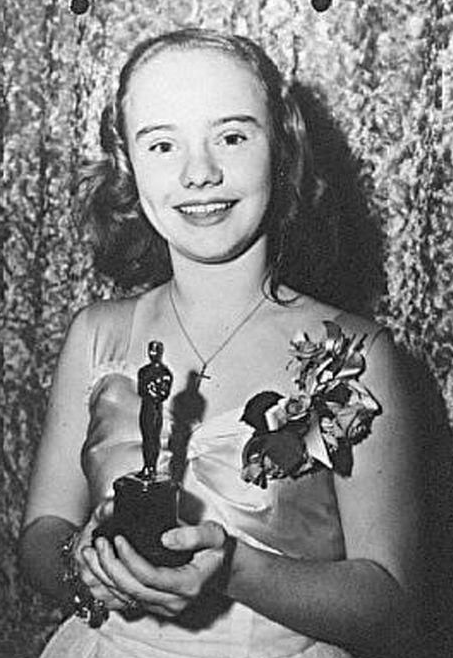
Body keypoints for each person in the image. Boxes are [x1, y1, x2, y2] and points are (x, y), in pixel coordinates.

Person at [20, 28, 421, 658]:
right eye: (162, 145)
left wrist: (233, 568)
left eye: (232, 137)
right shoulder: (95, 334)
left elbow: (390, 600)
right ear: (128, 167)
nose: (200, 173)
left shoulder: (358, 354)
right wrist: (84, 566)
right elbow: (41, 534)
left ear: (282, 151)